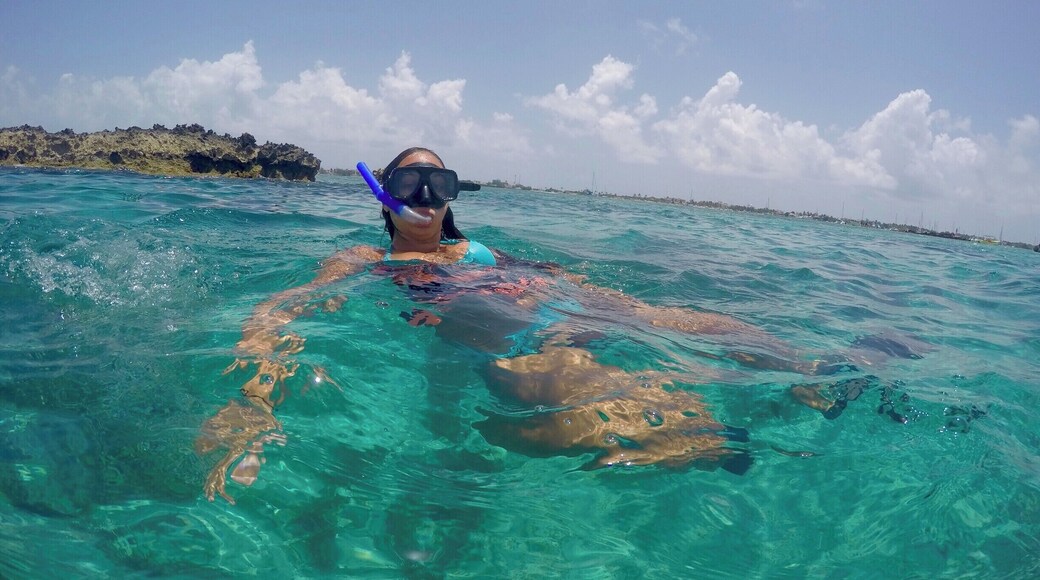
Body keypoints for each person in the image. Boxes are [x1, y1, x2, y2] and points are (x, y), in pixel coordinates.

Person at [196, 147, 829, 503]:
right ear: (383, 193)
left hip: (537, 298)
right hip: (498, 321)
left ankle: (808, 374)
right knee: (532, 382)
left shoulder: (483, 250)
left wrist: (581, 293)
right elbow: (278, 309)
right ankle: (717, 438)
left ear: (451, 197)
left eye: (436, 183)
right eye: (408, 182)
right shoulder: (365, 260)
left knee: (659, 320)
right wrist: (253, 397)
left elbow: (549, 279)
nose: (423, 196)